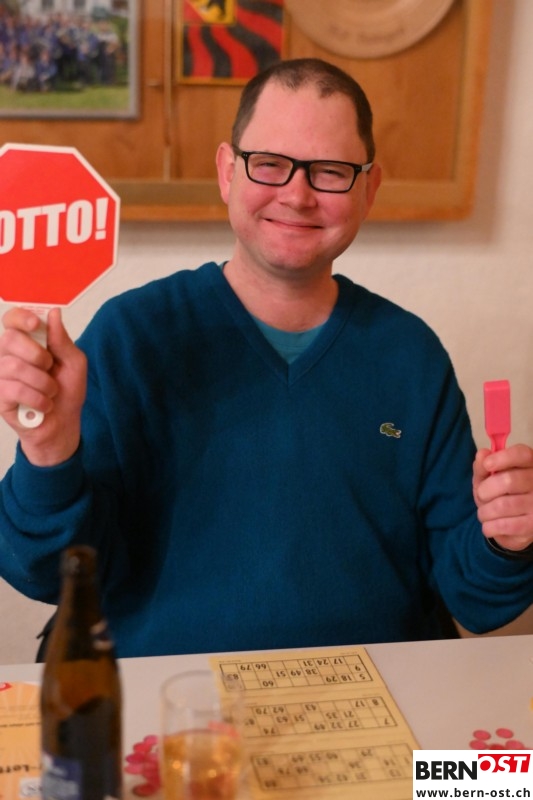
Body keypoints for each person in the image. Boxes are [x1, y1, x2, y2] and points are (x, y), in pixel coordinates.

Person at [1, 58, 533, 660]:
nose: (297, 195)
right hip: (165, 695)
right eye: (270, 164)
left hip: (374, 695)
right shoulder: (131, 336)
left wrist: (509, 538)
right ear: (228, 171)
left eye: (330, 171)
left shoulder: (410, 355)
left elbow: (477, 599)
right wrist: (48, 451)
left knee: (479, 734)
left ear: (369, 188)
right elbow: (43, 572)